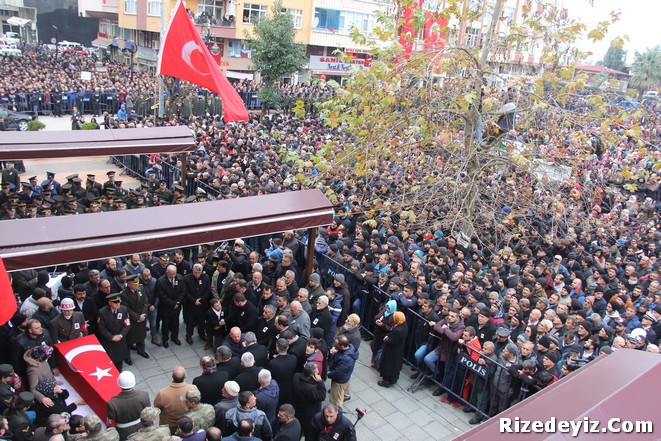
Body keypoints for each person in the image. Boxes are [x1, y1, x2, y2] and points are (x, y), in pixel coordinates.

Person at [107, 371, 151, 441]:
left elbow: (110, 424)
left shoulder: (112, 403)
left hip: (122, 433)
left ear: (119, 384)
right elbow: (149, 415)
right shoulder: (144, 395)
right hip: (141, 427)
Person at [154, 366, 195, 434]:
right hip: (186, 426)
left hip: (168, 427)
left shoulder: (162, 393)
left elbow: (156, 407)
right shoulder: (192, 388)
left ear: (172, 377)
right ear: (185, 377)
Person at [97, 293, 131, 371]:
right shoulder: (102, 312)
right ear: (109, 302)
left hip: (120, 341)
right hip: (109, 342)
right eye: (115, 302)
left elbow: (127, 325)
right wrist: (111, 337)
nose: (118, 304)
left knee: (119, 362)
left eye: (119, 302)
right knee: (109, 363)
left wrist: (121, 335)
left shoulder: (124, 309)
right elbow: (102, 328)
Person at [291, 363, 326, 440]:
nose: (318, 374)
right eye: (317, 373)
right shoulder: (311, 389)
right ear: (311, 376)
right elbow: (322, 396)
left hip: (298, 409)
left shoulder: (296, 376)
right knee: (309, 433)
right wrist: (320, 382)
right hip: (309, 414)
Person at [120, 274, 150, 359]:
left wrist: (143, 315)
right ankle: (127, 357)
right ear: (129, 284)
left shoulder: (141, 288)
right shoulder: (124, 294)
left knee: (141, 336)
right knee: (130, 339)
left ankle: (141, 350)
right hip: (132, 319)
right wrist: (137, 317)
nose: (136, 285)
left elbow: (145, 302)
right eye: (134, 283)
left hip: (142, 317)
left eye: (137, 282)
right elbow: (126, 309)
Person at [155, 265, 184, 347]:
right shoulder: (161, 281)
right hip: (166, 308)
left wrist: (177, 302)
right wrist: (173, 303)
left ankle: (175, 337)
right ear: (167, 272)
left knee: (176, 323)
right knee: (165, 324)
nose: (173, 276)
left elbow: (182, 291)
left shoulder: (180, 278)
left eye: (174, 274)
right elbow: (162, 296)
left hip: (177, 306)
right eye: (171, 274)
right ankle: (165, 339)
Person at [378, 311, 408, 388]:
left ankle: (386, 381)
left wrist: (386, 339)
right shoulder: (404, 326)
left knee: (389, 365)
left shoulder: (398, 330)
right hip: (398, 350)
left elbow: (392, 341)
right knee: (394, 365)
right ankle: (393, 378)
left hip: (392, 351)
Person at [183, 264, 211, 344]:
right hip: (191, 304)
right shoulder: (187, 278)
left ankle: (201, 333)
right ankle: (189, 335)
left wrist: (201, 300)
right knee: (190, 321)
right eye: (195, 272)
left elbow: (208, 290)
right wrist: (194, 300)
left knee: (201, 320)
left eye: (199, 273)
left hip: (202, 304)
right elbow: (185, 292)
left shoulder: (205, 277)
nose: (197, 274)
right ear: (192, 270)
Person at [327, 336, 358, 406]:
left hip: (339, 381)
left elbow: (337, 372)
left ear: (342, 346)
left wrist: (329, 373)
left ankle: (336, 412)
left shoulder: (345, 359)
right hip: (345, 376)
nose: (335, 345)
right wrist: (336, 352)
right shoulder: (351, 347)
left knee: (335, 400)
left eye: (337, 344)